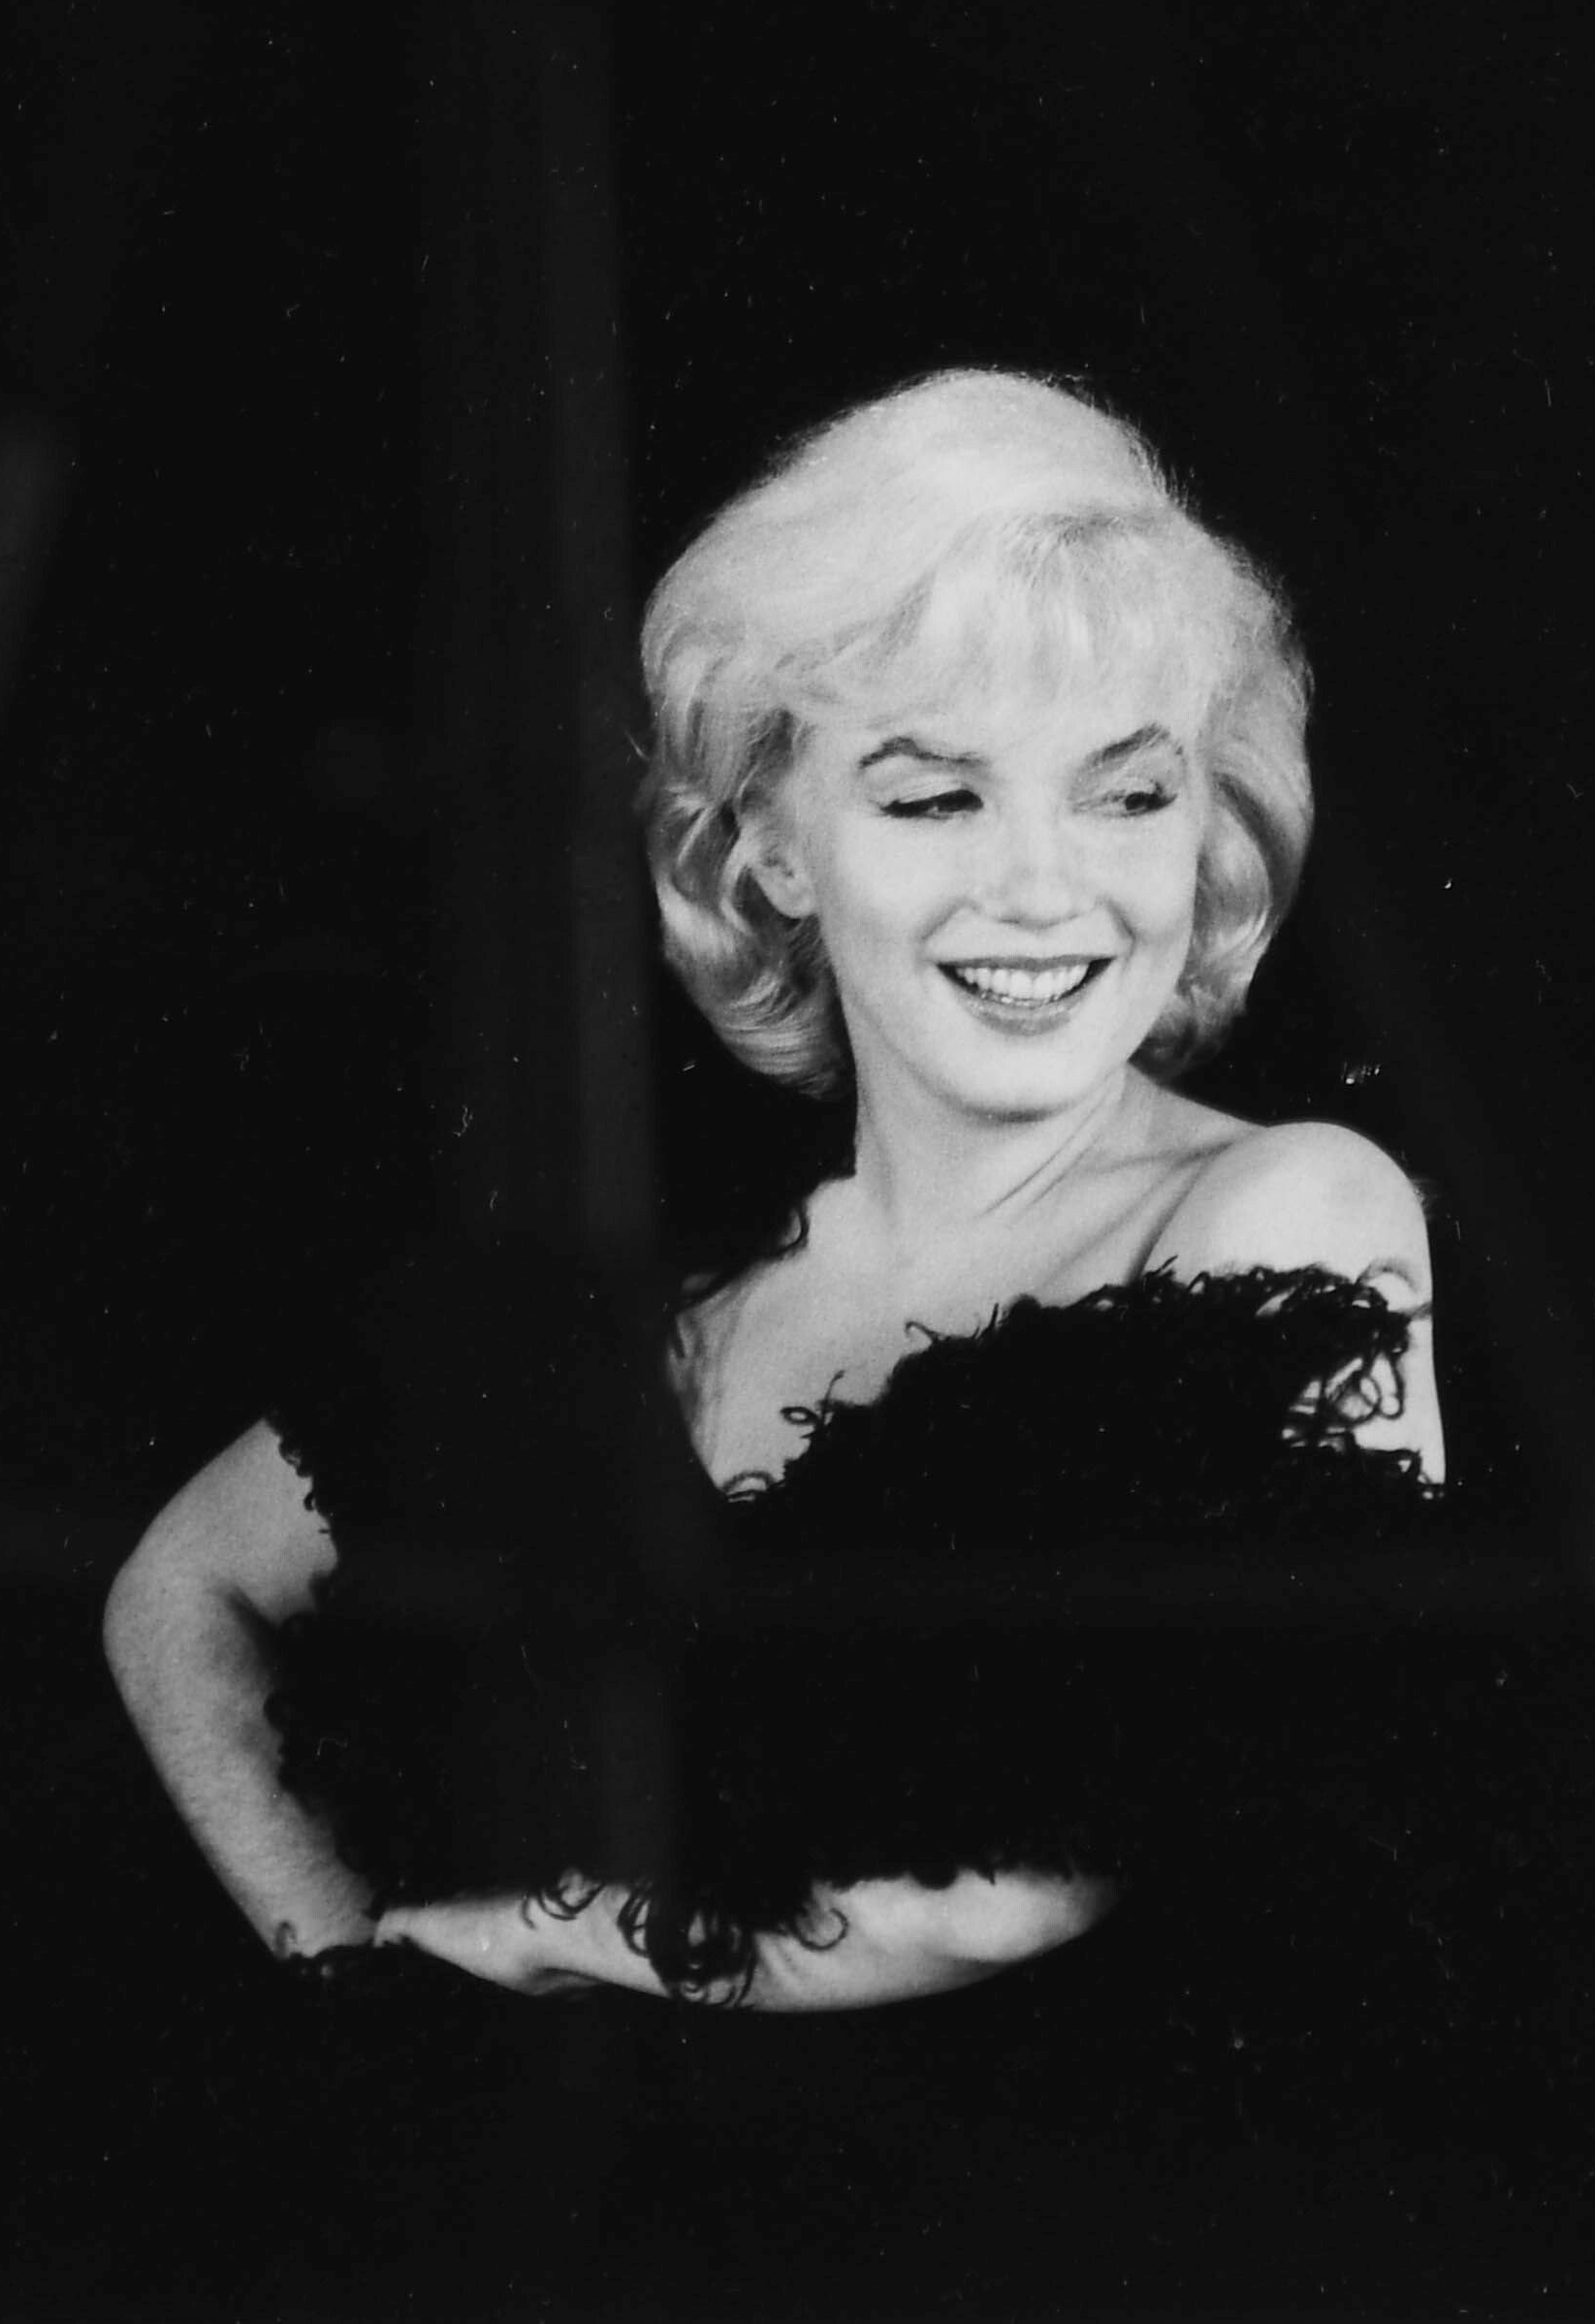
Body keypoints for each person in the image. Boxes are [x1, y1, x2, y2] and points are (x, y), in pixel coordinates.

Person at [104, 364, 1442, 2085]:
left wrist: (535, 1939)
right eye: (936, 795)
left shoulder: (1293, 1206)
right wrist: (355, 1993)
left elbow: (1039, 1880)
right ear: (774, 849)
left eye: (1127, 793)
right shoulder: (674, 1303)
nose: (1047, 890)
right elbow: (179, 1590)